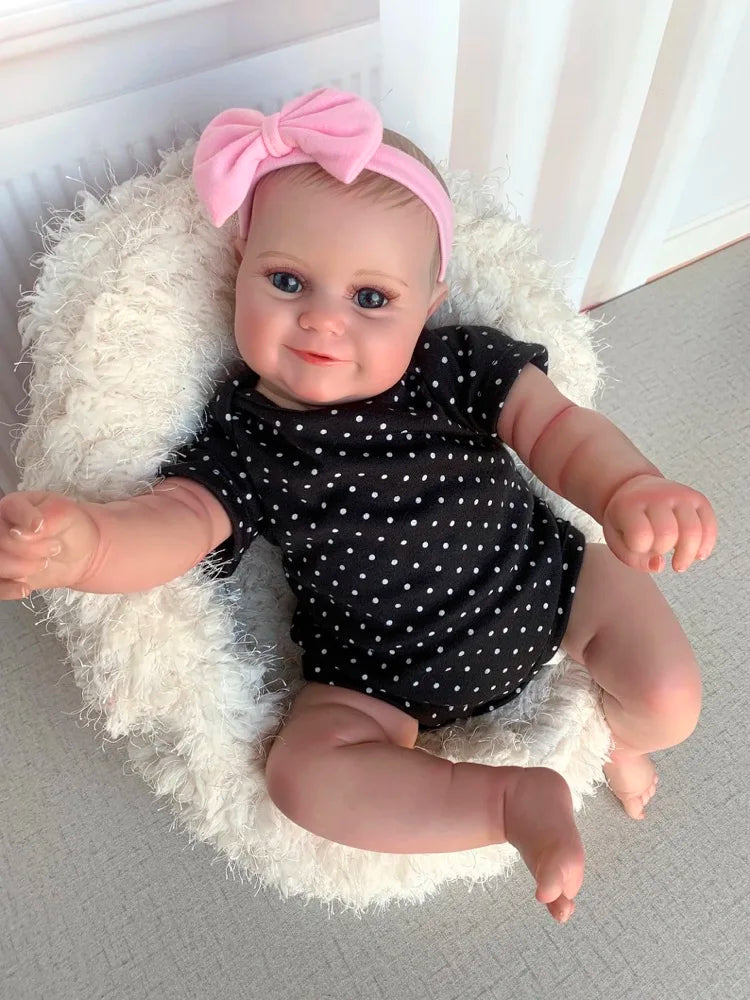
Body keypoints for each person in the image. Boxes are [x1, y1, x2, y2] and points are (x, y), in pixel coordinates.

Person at [0, 88, 716, 923]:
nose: (322, 321)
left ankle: (617, 741)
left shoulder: (454, 366)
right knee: (301, 778)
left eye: (370, 298)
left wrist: (628, 487)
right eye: (288, 281)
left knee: (670, 697)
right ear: (240, 267)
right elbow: (177, 523)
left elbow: (557, 428)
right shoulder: (247, 437)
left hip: (550, 584)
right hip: (378, 678)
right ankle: (507, 801)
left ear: (428, 302)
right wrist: (86, 545)